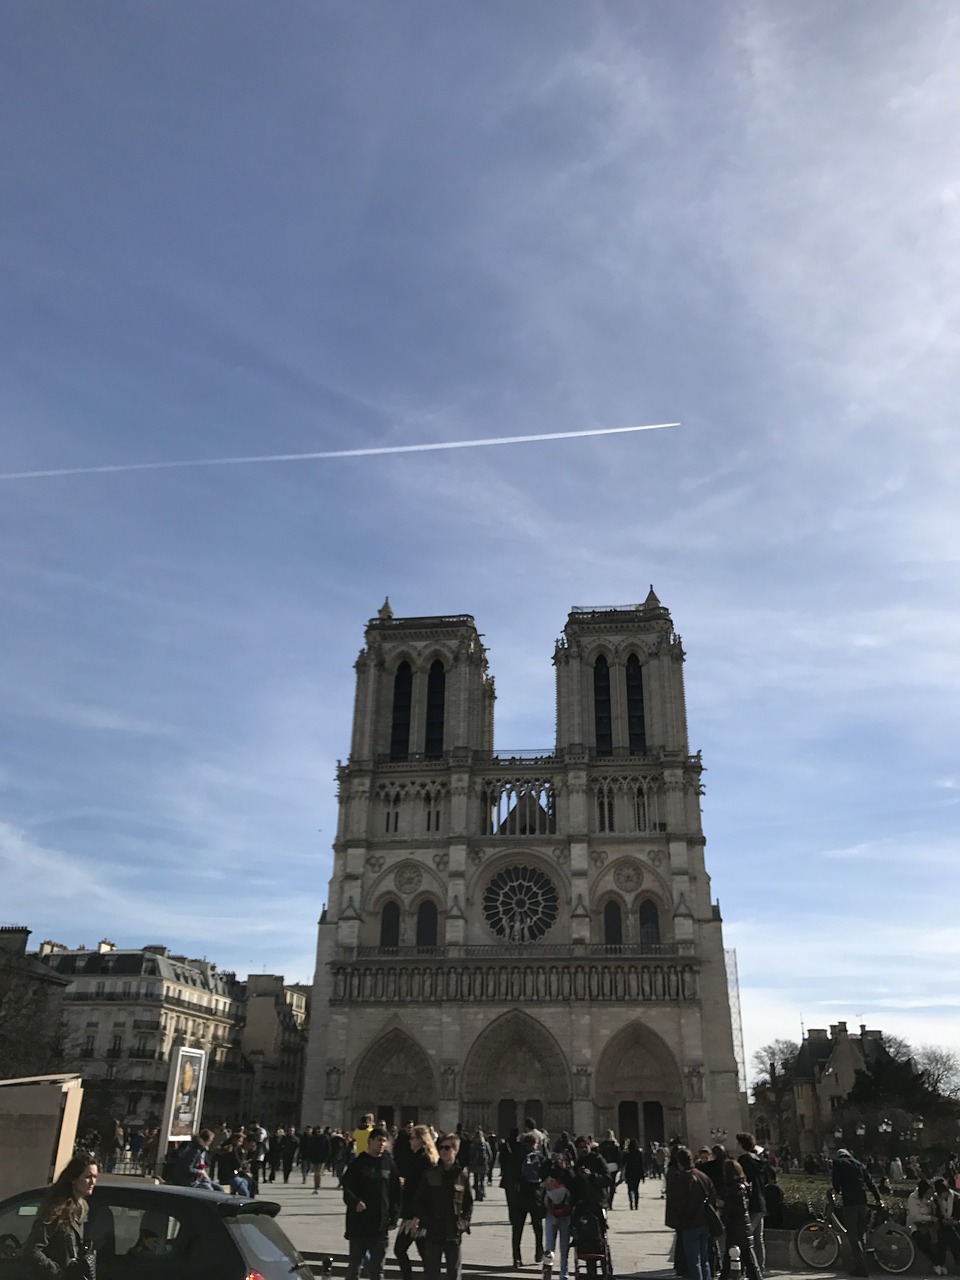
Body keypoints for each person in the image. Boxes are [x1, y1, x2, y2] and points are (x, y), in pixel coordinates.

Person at [24, 1152, 98, 1279]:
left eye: (95, 1177)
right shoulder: (57, 1208)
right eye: (88, 1177)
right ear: (74, 1179)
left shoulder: (81, 1209)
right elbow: (32, 1250)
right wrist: (58, 1273)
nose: (92, 1182)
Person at [341, 1127, 402, 1280]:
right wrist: (355, 1202)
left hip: (380, 1224)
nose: (381, 1144)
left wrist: (394, 1217)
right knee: (354, 1268)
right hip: (359, 1223)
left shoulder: (389, 1165)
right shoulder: (358, 1163)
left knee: (377, 1270)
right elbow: (347, 1187)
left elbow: (395, 1193)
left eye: (384, 1141)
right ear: (370, 1142)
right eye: (378, 1140)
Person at [412, 1133, 473, 1280]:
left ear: (455, 1150)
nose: (444, 1151)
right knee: (432, 1273)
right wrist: (426, 1222)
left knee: (454, 1273)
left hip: (453, 1232)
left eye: (447, 1148)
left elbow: (468, 1204)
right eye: (441, 1148)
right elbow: (419, 1200)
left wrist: (463, 1224)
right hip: (434, 1232)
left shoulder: (462, 1176)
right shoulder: (430, 1175)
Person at [665, 1145, 716, 1280]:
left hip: (690, 1223)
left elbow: (677, 1203)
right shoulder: (703, 1176)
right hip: (705, 1222)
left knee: (693, 1261)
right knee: (704, 1259)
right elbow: (712, 1197)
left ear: (679, 1162)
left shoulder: (681, 1178)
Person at [396, 1125, 439, 1280]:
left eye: (413, 1137)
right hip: (415, 1212)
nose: (410, 1140)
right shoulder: (420, 1157)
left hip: (416, 1214)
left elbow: (425, 1190)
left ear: (421, 1140)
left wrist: (418, 1215)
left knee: (400, 1249)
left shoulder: (424, 1159)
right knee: (423, 1252)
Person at [832, 1147, 882, 1277]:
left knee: (853, 1236)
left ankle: (860, 1268)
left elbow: (836, 1182)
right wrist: (878, 1199)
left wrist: (837, 1190)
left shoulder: (838, 1163)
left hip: (850, 1203)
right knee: (861, 1235)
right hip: (862, 1202)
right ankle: (864, 1265)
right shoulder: (858, 1164)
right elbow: (870, 1182)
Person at [719, 1159, 761, 1280]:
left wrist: (724, 1204)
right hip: (740, 1227)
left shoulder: (737, 1188)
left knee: (746, 1259)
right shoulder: (740, 1186)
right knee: (738, 1259)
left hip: (738, 1228)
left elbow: (740, 1208)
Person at [735, 1133, 768, 1276]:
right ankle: (760, 1267)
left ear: (741, 1144)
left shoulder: (743, 1160)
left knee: (745, 1239)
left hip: (750, 1204)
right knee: (757, 1239)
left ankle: (752, 1271)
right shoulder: (758, 1160)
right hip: (761, 1203)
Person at [540, 1150, 575, 1280]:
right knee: (549, 1247)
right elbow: (542, 1173)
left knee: (564, 1248)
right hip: (551, 1213)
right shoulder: (550, 1170)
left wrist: (565, 1169)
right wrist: (550, 1161)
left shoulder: (569, 1173)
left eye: (563, 1160)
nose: (561, 1162)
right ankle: (547, 1273)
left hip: (565, 1214)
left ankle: (564, 1274)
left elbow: (573, 1183)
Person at [906, 1179, 946, 1274]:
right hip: (915, 1225)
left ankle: (941, 1263)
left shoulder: (932, 1199)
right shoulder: (912, 1198)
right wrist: (930, 1218)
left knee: (941, 1238)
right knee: (921, 1241)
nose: (930, 1195)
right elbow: (915, 1217)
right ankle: (936, 1263)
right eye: (928, 1193)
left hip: (929, 1225)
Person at [623, 1139, 646, 1210]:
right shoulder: (638, 1153)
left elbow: (624, 1163)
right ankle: (636, 1205)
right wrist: (642, 1176)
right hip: (637, 1173)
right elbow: (641, 1164)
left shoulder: (627, 1153)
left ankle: (631, 1203)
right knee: (636, 1189)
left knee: (630, 1189)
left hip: (629, 1172)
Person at [469, 1130, 491, 1201]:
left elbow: (471, 1154)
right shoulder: (486, 1144)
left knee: (476, 1180)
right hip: (484, 1164)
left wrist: (471, 1162)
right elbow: (490, 1154)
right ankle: (482, 1193)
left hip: (476, 1165)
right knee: (482, 1180)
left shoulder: (474, 1144)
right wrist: (488, 1162)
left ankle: (477, 1195)